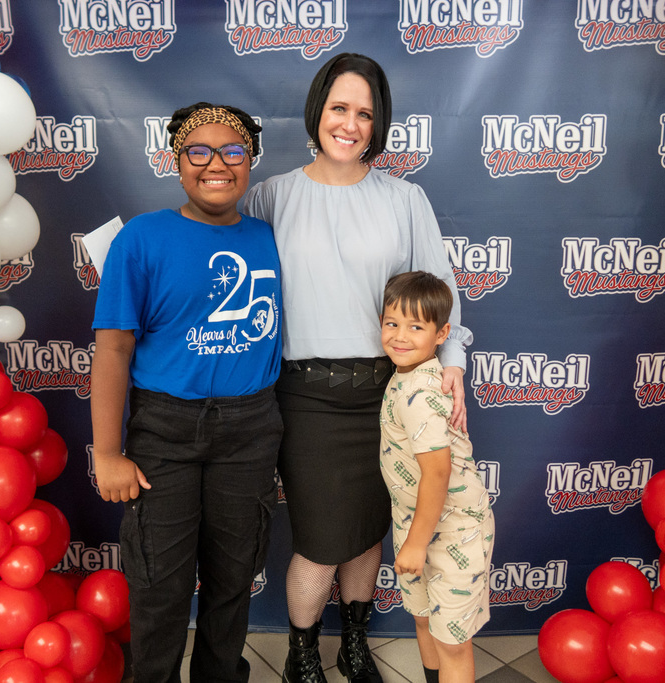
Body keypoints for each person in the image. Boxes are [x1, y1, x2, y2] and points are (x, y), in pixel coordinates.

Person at [244, 53, 473, 683]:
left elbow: (440, 287)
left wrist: (452, 361)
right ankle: (300, 655)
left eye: (365, 114)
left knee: (370, 532)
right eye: (339, 108)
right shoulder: (270, 196)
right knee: (321, 541)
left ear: (379, 124)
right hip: (306, 398)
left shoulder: (404, 198)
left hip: (389, 393)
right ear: (317, 111)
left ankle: (353, 643)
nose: (350, 124)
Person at [90, 102, 283, 683]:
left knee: (234, 577)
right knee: (160, 584)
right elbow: (113, 349)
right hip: (166, 431)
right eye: (199, 152)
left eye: (232, 152)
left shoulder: (269, 238)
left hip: (251, 428)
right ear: (176, 163)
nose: (216, 164)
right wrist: (107, 452)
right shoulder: (143, 238)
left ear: (250, 162)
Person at [379, 271, 493, 683]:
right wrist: (413, 538)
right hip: (416, 523)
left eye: (416, 327)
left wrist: (415, 543)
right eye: (392, 323)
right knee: (424, 618)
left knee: (452, 644)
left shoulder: (422, 393)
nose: (400, 336)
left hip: (454, 531)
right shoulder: (403, 375)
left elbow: (438, 472)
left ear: (442, 334)